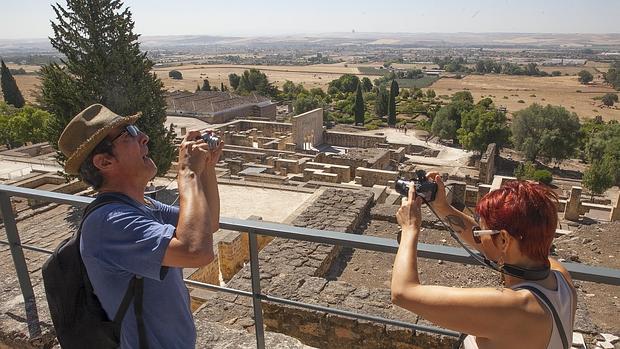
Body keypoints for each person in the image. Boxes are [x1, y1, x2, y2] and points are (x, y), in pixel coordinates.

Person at [58, 104, 223, 348]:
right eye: (130, 132)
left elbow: (208, 224)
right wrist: (188, 173)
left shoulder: (144, 206)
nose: (144, 137)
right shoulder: (110, 222)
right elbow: (196, 251)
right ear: (104, 162)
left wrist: (206, 167)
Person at [391, 173, 576, 349]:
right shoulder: (561, 279)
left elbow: (403, 293)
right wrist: (442, 207)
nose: (478, 237)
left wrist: (410, 228)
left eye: (481, 232)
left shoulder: (512, 307)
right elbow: (498, 245)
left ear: (504, 240)